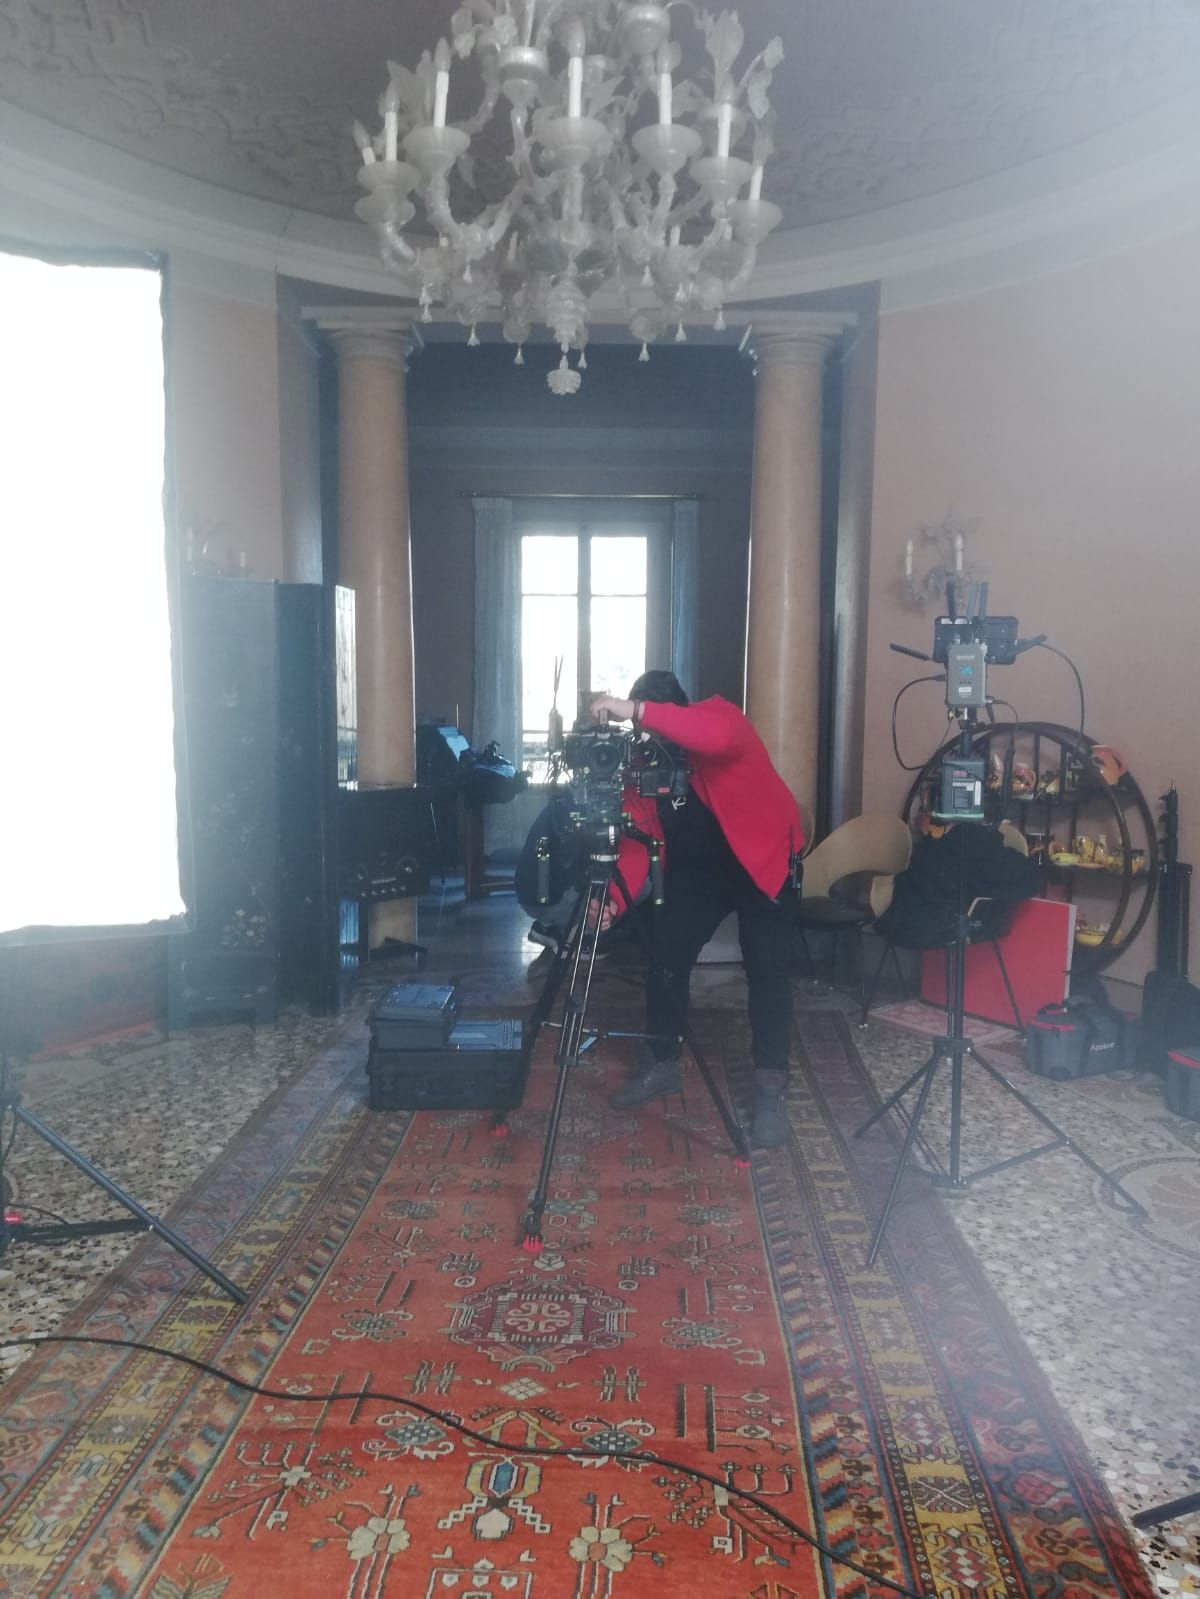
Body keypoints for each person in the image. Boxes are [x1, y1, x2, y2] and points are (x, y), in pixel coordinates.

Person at [587, 670, 804, 1148]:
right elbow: (636, 846)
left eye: (659, 726)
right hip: (700, 873)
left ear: (678, 713)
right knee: (666, 960)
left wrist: (635, 709)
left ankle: (771, 1088)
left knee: (768, 971)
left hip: (763, 861)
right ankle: (663, 1062)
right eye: (645, 734)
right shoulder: (643, 765)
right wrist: (614, 902)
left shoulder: (719, 717)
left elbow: (716, 735)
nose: (652, 742)